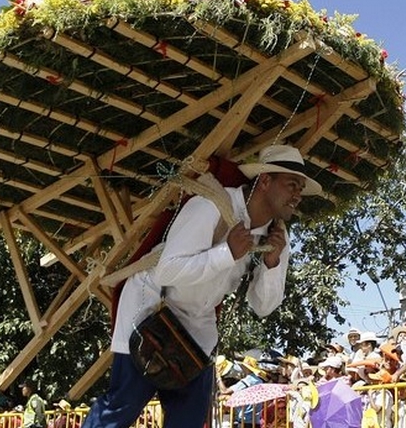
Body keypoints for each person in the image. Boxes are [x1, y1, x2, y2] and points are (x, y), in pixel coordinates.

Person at [83, 144, 322, 428]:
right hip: (149, 308)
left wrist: (271, 263)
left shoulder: (277, 238)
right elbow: (168, 271)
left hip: (199, 330)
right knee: (121, 409)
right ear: (265, 181)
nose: (297, 195)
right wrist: (227, 253)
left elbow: (263, 307)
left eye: (300, 189)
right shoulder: (210, 205)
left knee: (190, 421)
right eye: (292, 185)